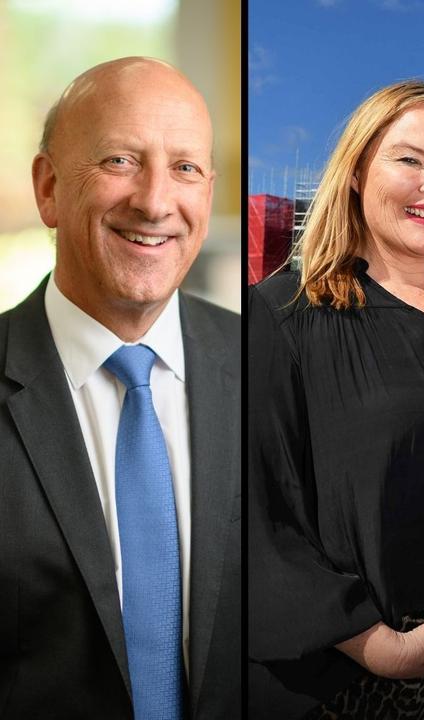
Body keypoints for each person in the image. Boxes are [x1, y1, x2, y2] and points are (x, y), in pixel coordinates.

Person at [246, 80, 424, 718]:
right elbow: (257, 512)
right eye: (409, 160)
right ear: (357, 172)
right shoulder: (279, 318)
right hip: (352, 684)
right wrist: (387, 650)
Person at [0, 57, 240, 718]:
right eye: (120, 161)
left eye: (185, 168)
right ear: (48, 188)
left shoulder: (269, 365)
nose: (156, 201)